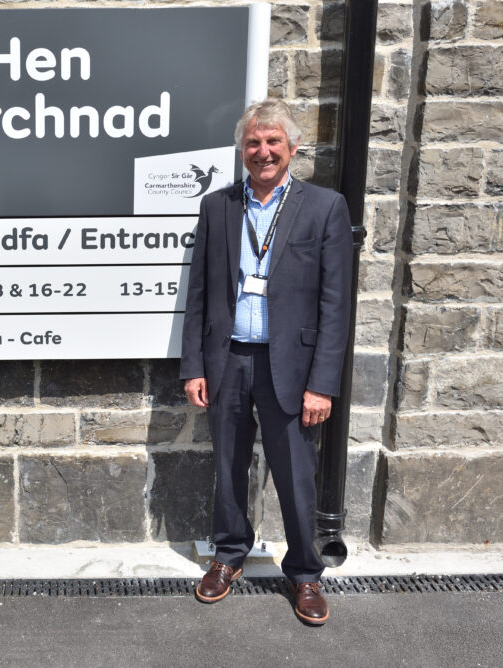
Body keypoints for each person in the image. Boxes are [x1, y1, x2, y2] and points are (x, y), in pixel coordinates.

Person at [180, 98, 352, 625]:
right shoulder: (217, 207)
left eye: (273, 142)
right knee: (228, 467)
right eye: (254, 143)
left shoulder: (325, 207)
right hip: (228, 358)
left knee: (295, 473)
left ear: (292, 147)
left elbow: (335, 303)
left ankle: (304, 573)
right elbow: (201, 292)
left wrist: (322, 383)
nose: (263, 151)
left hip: (292, 368)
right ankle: (228, 555)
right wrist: (194, 366)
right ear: (242, 149)